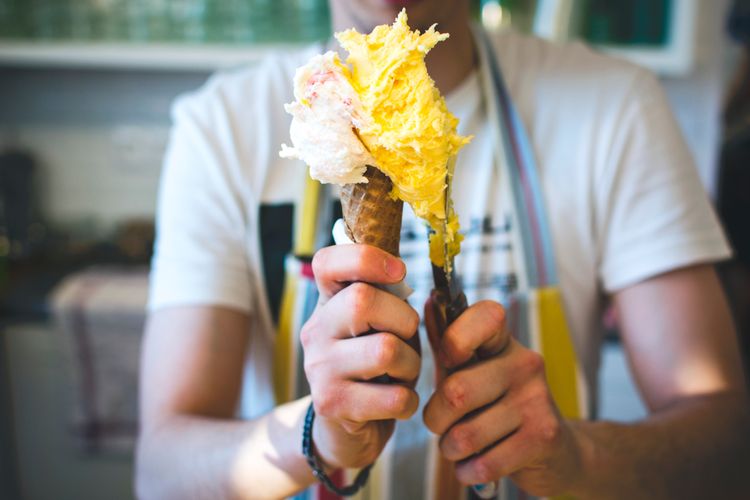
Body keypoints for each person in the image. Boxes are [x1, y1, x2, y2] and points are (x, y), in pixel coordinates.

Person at [135, 1, 750, 498]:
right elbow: (161, 473)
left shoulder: (615, 107)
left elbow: (726, 446)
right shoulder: (223, 125)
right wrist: (317, 437)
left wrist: (572, 456)